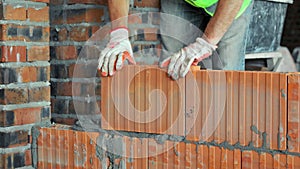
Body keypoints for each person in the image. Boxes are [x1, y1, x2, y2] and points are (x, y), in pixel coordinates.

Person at [97, 0, 253, 80]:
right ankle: (178, 132)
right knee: (173, 66)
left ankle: (223, 135)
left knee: (227, 74)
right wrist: (119, 34)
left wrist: (207, 42)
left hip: (231, 5)